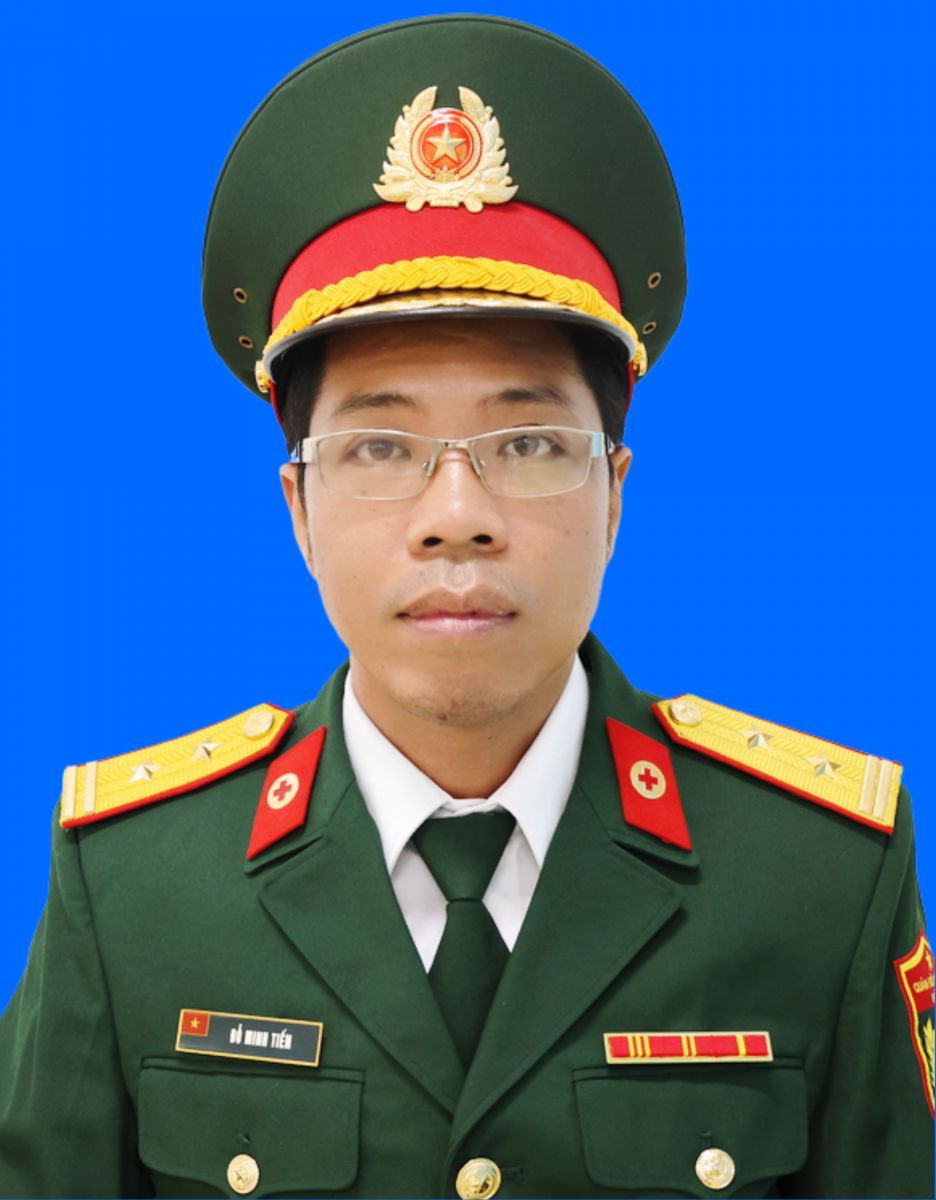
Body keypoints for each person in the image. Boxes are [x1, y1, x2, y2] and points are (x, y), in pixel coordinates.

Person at [0, 14, 931, 1199]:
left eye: (529, 441)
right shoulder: (134, 882)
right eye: (381, 446)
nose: (456, 516)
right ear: (297, 507)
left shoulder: (818, 876)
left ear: (615, 496)